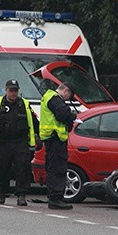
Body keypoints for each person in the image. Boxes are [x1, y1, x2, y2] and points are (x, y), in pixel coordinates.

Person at [0, 79, 39, 206]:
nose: (13, 93)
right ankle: (1, 190)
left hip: (20, 142)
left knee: (22, 168)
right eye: (11, 90)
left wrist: (40, 137)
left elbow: (34, 122)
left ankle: (21, 195)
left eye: (15, 91)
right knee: (1, 169)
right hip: (3, 142)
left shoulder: (24, 104)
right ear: (6, 90)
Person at [40, 82, 78, 210]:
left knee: (53, 167)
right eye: (69, 96)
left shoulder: (48, 96)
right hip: (55, 138)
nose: (68, 100)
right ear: (66, 91)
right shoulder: (55, 99)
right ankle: (56, 199)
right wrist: (72, 116)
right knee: (58, 168)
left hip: (52, 138)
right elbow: (63, 114)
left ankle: (54, 197)